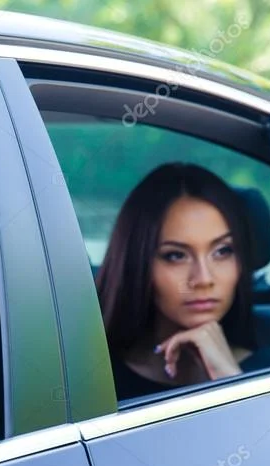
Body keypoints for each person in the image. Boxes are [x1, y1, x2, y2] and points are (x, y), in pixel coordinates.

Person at [95, 162, 257, 401]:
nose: (203, 279)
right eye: (175, 255)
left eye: (222, 251)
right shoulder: (91, 380)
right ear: (137, 264)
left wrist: (229, 376)